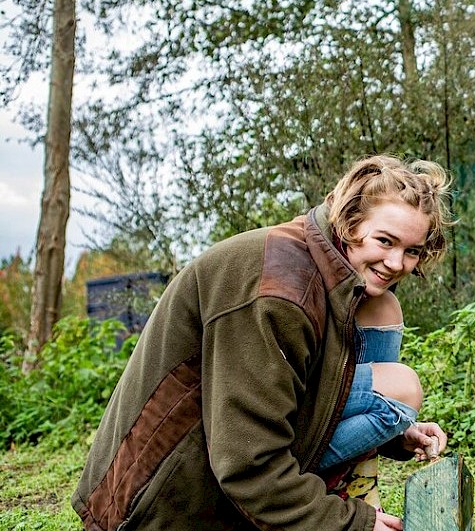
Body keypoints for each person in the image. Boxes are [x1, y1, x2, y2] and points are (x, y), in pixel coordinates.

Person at [73, 155, 455, 531]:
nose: (396, 262)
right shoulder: (279, 292)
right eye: (385, 241)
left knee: (382, 308)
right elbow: (247, 463)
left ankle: (351, 489)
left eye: (412, 251)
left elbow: (306, 387)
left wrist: (392, 432)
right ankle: (333, 501)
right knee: (402, 386)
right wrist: (349, 525)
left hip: (232, 459)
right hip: (162, 505)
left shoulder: (327, 267)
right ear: (350, 221)